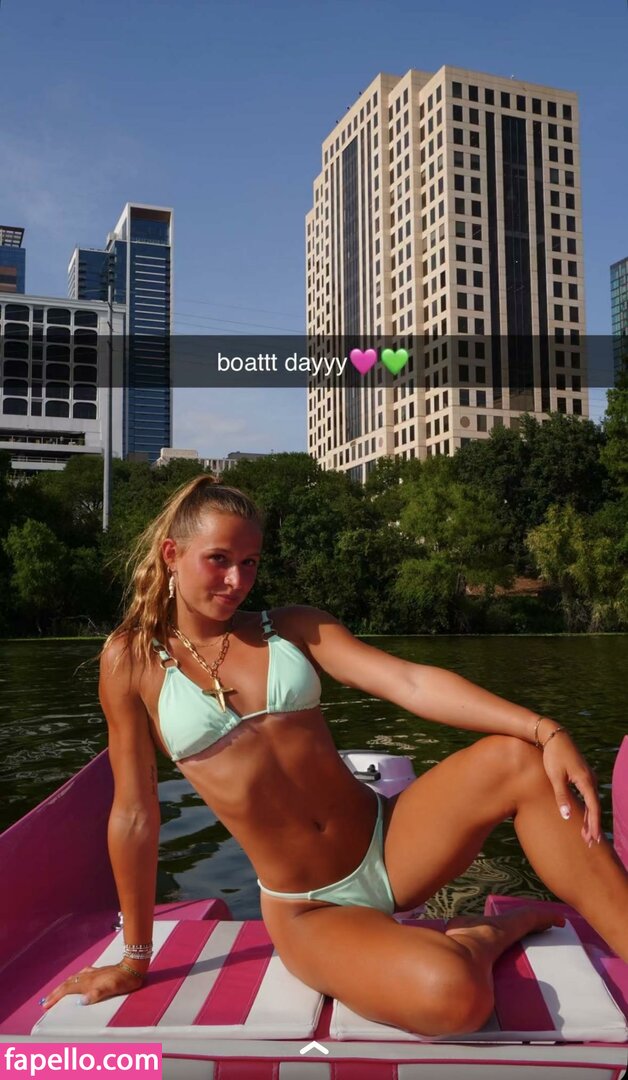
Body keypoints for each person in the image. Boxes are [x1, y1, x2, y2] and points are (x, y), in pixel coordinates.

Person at [41, 477, 628, 1036]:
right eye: (218, 559)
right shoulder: (131, 661)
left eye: (250, 562)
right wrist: (135, 958)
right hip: (310, 908)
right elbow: (135, 814)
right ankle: (486, 935)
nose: (237, 580)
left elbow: (410, 683)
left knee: (521, 759)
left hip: (391, 840)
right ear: (172, 554)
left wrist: (545, 729)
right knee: (454, 997)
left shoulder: (290, 628)